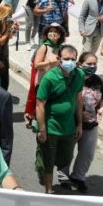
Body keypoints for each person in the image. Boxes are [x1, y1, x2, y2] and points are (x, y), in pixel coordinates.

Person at [35, 44, 84, 193]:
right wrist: (42, 129)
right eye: (66, 59)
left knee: (66, 157)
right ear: (59, 59)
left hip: (69, 127)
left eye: (73, 59)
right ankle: (49, 189)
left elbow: (78, 99)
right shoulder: (50, 77)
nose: (70, 62)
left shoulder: (79, 75)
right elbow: (40, 104)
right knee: (49, 160)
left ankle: (45, 164)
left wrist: (79, 124)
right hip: (51, 126)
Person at [57, 52, 103, 192]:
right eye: (89, 64)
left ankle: (78, 177)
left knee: (87, 153)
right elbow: (65, 99)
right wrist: (78, 114)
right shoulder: (72, 78)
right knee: (67, 151)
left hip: (91, 123)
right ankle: (63, 177)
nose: (92, 66)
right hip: (71, 122)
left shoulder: (98, 81)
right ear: (80, 64)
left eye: (94, 64)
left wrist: (101, 109)